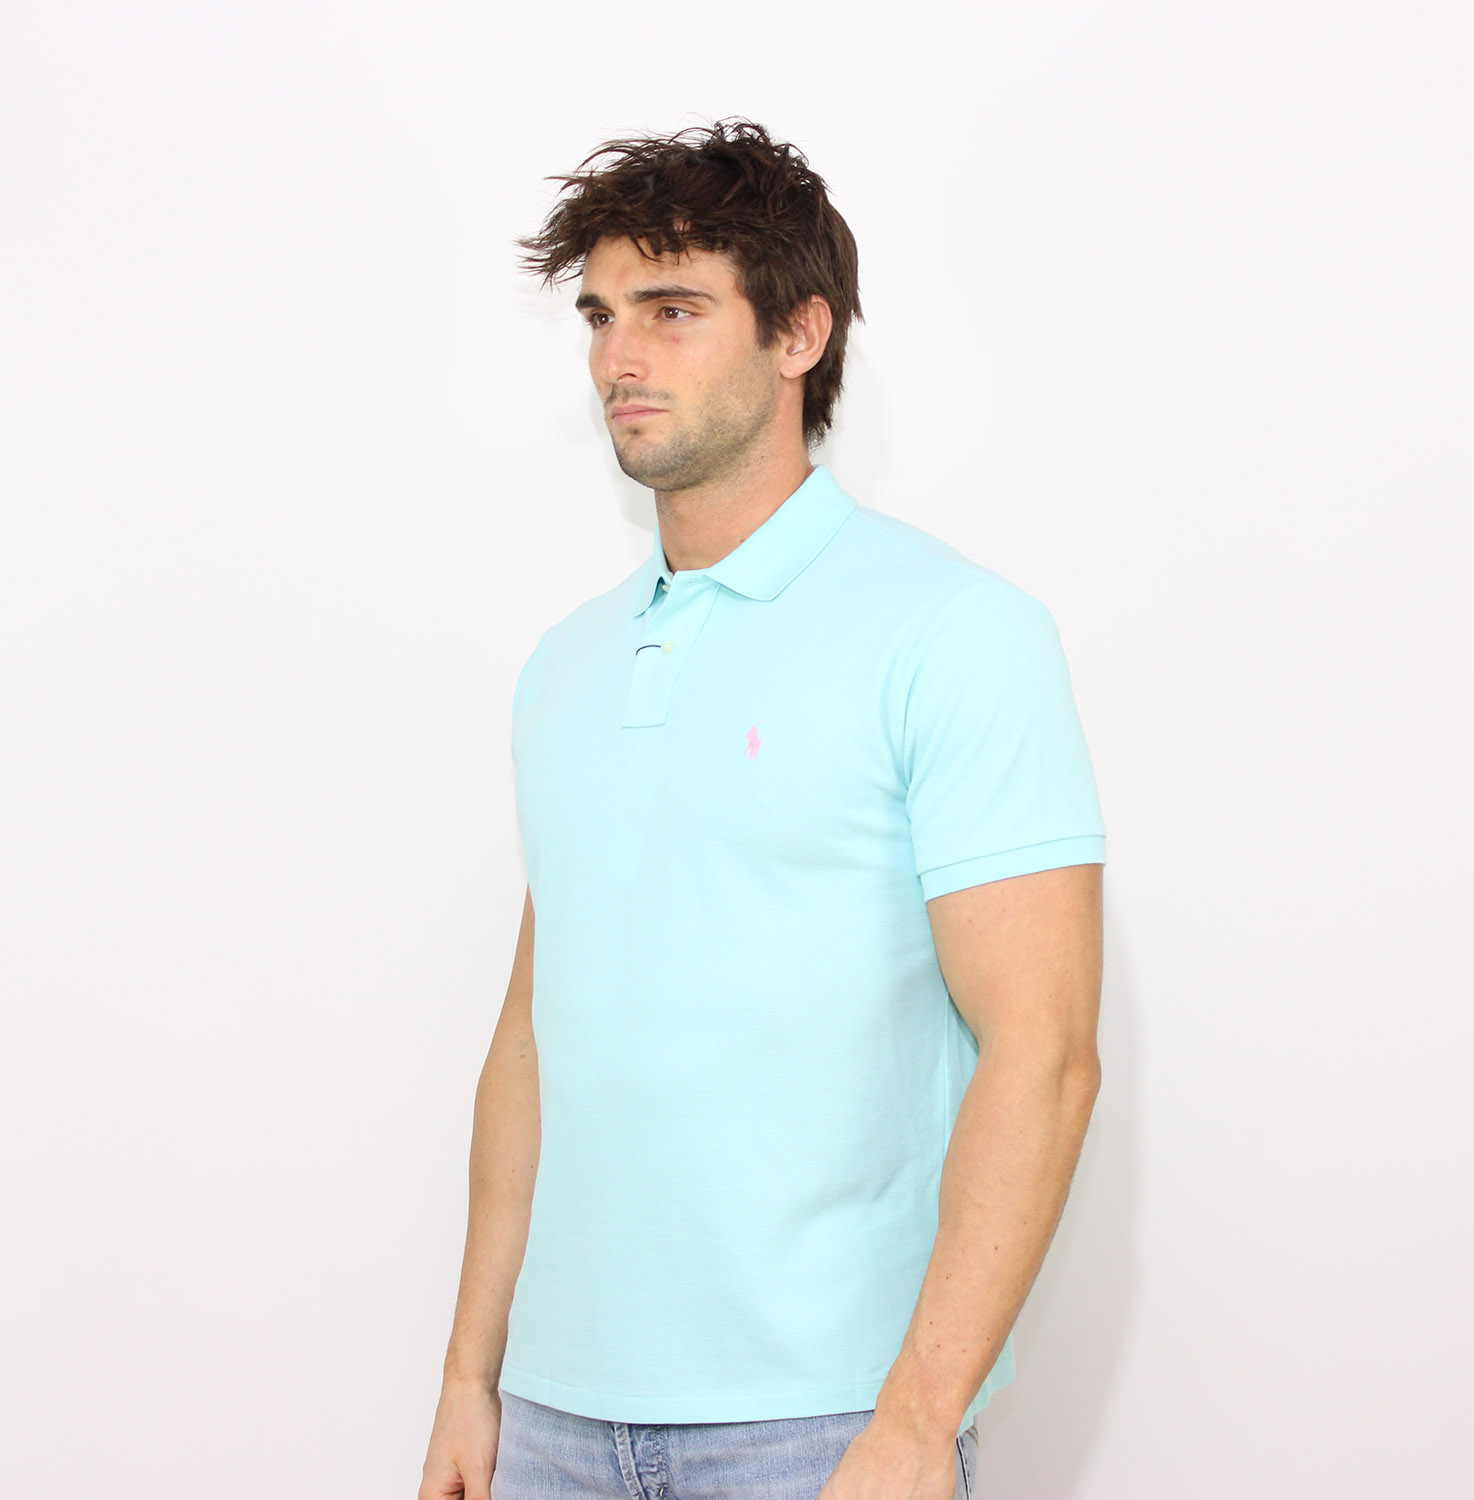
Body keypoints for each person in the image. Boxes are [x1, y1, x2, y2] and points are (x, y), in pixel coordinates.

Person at [418, 119, 1106, 1500]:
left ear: (800, 333)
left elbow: (1043, 1053)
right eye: (602, 316)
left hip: (818, 1427)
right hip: (551, 1420)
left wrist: (918, 1418)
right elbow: (534, 1036)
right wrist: (468, 1380)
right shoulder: (565, 666)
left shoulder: (953, 633)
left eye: (673, 312)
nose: (619, 358)